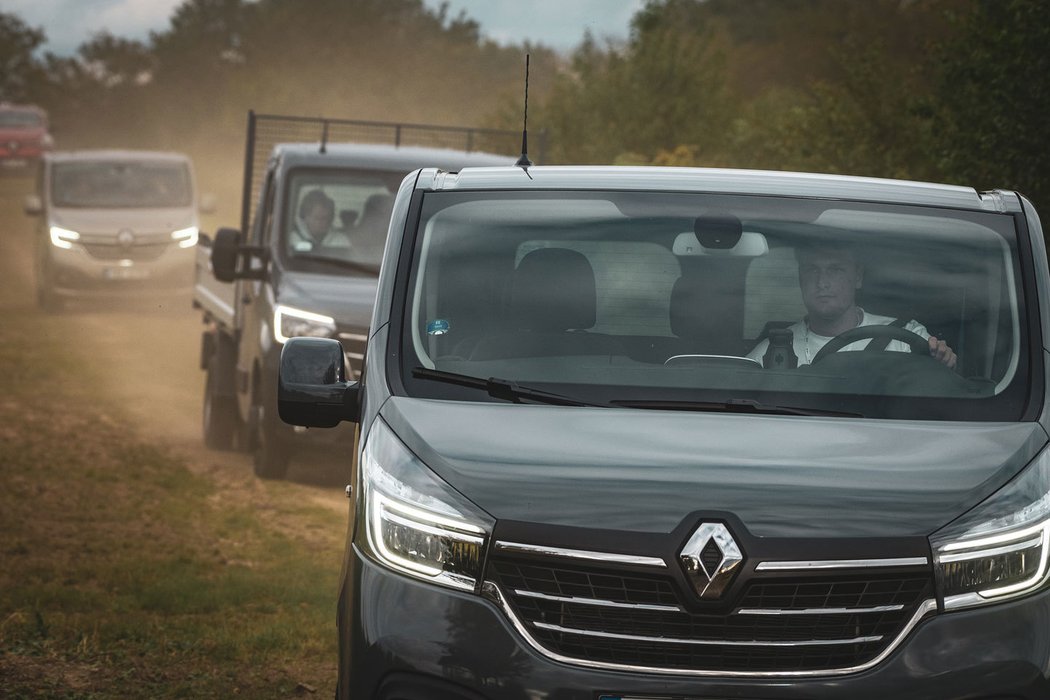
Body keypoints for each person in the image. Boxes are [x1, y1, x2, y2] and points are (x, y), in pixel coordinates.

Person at [747, 242, 957, 368]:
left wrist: (944, 364)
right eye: (812, 270)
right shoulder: (770, 353)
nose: (822, 283)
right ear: (801, 278)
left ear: (858, 277)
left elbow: (940, 396)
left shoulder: (905, 338)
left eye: (835, 270)